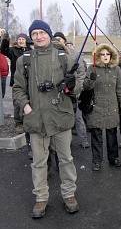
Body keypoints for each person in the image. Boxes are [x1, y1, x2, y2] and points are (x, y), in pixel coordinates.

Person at [13, 20, 82, 218]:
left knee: (66, 159)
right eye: (34, 34)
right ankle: (41, 197)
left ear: (49, 35)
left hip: (60, 117)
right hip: (36, 120)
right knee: (38, 163)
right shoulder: (23, 60)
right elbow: (17, 88)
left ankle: (69, 194)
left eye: (41, 33)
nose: (38, 37)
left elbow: (78, 87)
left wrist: (71, 86)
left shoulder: (63, 57)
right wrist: (26, 107)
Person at [83, 43, 121, 171]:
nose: (105, 56)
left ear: (111, 55)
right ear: (98, 56)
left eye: (107, 54)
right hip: (96, 107)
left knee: (112, 134)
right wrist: (90, 80)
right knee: (96, 135)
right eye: (102, 54)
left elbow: (120, 89)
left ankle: (113, 158)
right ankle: (97, 161)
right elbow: (85, 87)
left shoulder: (117, 70)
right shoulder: (92, 69)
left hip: (112, 106)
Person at [0, 29, 32, 132]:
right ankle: (18, 122)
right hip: (16, 81)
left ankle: (29, 120)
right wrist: (5, 37)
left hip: (30, 81)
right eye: (19, 39)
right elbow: (3, 50)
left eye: (23, 39)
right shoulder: (13, 50)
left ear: (26, 40)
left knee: (30, 101)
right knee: (17, 102)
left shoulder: (31, 50)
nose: (21, 40)